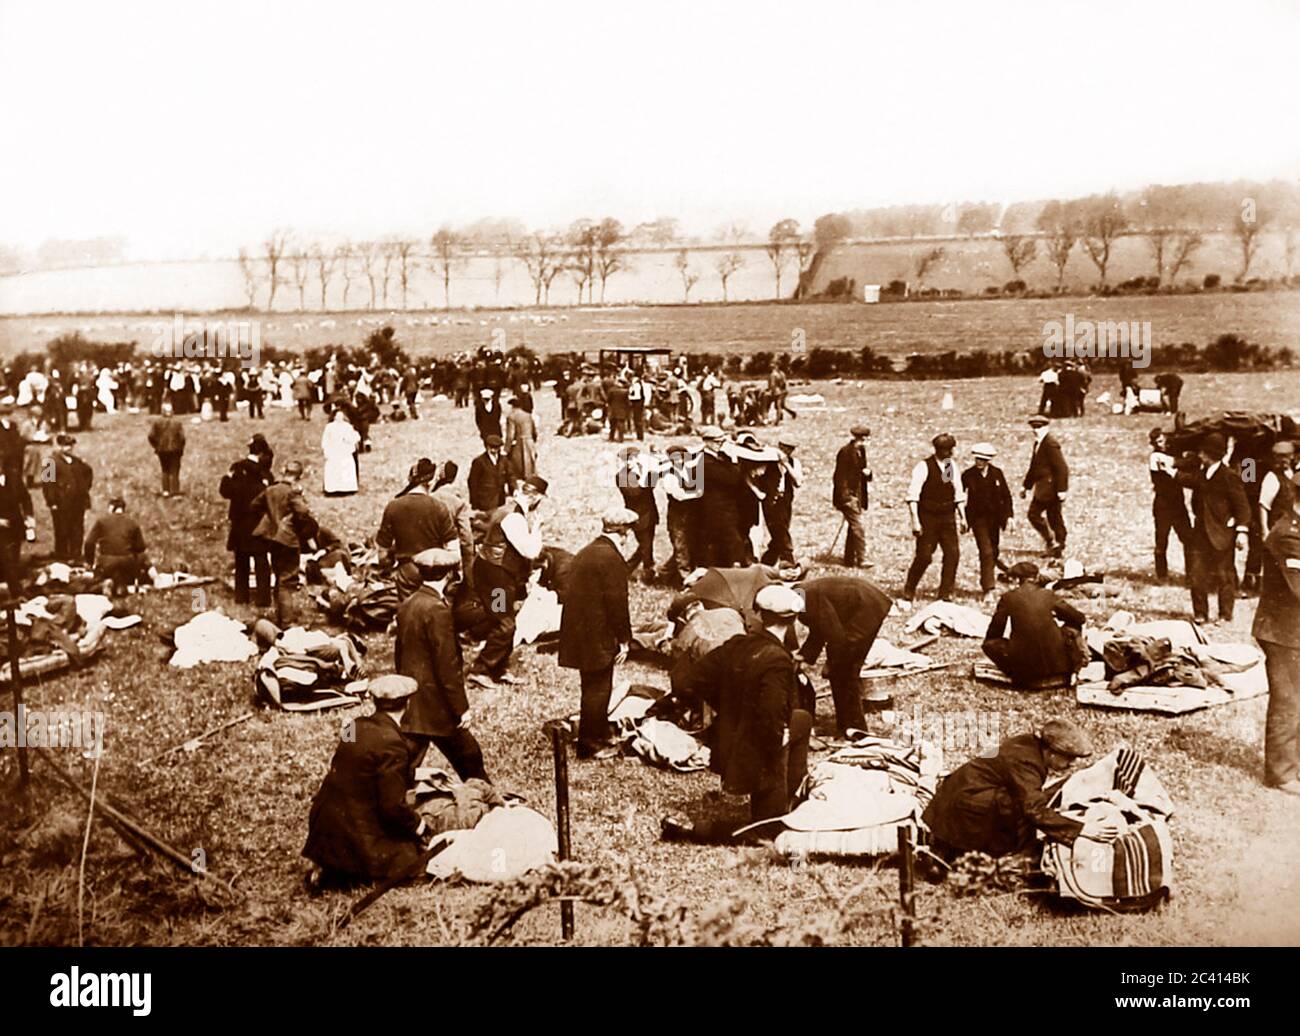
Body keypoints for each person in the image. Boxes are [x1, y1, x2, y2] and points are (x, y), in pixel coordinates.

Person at [677, 584, 811, 827]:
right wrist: (778, 738)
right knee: (767, 829)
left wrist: (727, 707)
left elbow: (690, 681)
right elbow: (771, 715)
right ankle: (778, 806)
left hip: (727, 738)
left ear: (759, 614)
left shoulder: (736, 644)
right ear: (794, 620)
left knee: (801, 718)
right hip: (756, 751)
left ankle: (793, 794)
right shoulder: (777, 659)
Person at [303, 674, 431, 888]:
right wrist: (420, 825)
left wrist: (418, 774)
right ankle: (341, 875)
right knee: (411, 860)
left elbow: (357, 767)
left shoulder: (354, 726)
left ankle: (328, 864)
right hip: (355, 829)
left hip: (324, 821)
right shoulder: (393, 743)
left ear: (374, 701)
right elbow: (392, 808)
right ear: (408, 704)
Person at [921, 718, 1111, 861]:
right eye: (1068, 758)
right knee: (1021, 805)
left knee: (1025, 799)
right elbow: (1034, 810)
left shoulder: (1028, 743)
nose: (1071, 764)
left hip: (956, 796)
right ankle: (1017, 858)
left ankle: (950, 848)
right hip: (963, 807)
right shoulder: (1027, 763)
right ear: (1051, 753)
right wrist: (1081, 829)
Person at [395, 547, 489, 783]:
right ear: (450, 576)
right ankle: (490, 803)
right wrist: (461, 708)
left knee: (405, 762)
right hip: (437, 704)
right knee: (470, 759)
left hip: (412, 699)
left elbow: (400, 652)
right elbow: (448, 665)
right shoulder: (438, 610)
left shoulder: (408, 603)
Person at [559, 507, 638, 760]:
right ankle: (590, 744)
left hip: (579, 632)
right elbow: (618, 604)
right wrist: (625, 639)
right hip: (598, 636)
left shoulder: (587, 552)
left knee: (592, 686)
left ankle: (598, 732)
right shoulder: (612, 559)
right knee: (598, 689)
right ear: (624, 533)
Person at [468, 475, 547, 690]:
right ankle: (481, 669)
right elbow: (530, 551)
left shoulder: (507, 509)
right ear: (535, 498)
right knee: (504, 624)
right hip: (497, 578)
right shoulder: (514, 518)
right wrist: (537, 527)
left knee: (502, 620)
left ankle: (499, 667)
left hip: (495, 574)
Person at [1253, 469, 1300, 796]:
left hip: (1293, 629)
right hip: (1281, 631)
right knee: (1287, 700)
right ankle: (1281, 773)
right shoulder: (1285, 535)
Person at [796, 575, 893, 734]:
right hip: (865, 603)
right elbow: (821, 627)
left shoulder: (804, 602)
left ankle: (856, 729)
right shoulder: (801, 594)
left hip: (865, 609)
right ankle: (845, 726)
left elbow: (835, 634)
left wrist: (832, 662)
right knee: (840, 673)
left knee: (845, 673)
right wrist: (804, 656)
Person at [1182, 432, 1250, 625]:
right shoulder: (1203, 473)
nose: (1199, 456)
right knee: (1197, 574)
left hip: (1223, 534)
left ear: (1209, 455)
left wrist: (1242, 531)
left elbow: (1243, 506)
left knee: (1224, 575)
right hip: (1201, 532)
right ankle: (1200, 613)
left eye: (1202, 453)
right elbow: (1189, 480)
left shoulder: (1230, 476)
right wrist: (1170, 471)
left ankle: (1225, 614)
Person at [982, 562, 1087, 686]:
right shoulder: (1048, 595)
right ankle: (1069, 669)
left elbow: (994, 633)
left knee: (989, 644)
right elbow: (1079, 618)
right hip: (1059, 672)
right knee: (1072, 629)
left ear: (1016, 580)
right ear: (1037, 577)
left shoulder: (1008, 598)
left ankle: (1016, 673)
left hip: (1026, 674)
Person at [376, 459, 459, 600]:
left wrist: (388, 568)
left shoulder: (393, 506)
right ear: (430, 482)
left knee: (408, 612)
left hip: (406, 572)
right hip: (435, 573)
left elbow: (382, 552)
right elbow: (453, 549)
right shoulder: (439, 507)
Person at [901, 433, 966, 606]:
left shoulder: (949, 466)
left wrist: (963, 517)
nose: (950, 453)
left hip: (947, 517)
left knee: (952, 554)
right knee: (924, 556)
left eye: (950, 449)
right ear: (938, 450)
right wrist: (915, 521)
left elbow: (956, 491)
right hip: (928, 517)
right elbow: (913, 496)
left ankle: (945, 594)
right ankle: (909, 589)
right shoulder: (923, 467)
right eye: (946, 450)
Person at [251, 459, 317, 627]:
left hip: (272, 539)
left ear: (284, 472)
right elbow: (303, 512)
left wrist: (271, 517)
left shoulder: (270, 490)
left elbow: (254, 505)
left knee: (279, 577)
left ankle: (279, 616)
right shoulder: (292, 492)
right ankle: (287, 622)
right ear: (298, 476)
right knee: (288, 580)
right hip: (288, 539)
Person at [219, 444, 273, 607]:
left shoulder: (236, 467)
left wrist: (226, 478)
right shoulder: (264, 470)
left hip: (239, 522)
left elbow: (225, 492)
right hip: (258, 522)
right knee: (261, 561)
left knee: (241, 560)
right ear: (262, 453)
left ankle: (241, 597)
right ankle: (263, 599)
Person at [962, 443, 1014, 601]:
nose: (979, 462)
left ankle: (999, 570)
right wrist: (962, 519)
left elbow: (1006, 496)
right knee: (986, 552)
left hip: (995, 520)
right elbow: (959, 496)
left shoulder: (997, 474)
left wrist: (1010, 517)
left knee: (993, 550)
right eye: (977, 459)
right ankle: (988, 588)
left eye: (983, 460)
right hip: (978, 519)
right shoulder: (968, 475)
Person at [1148, 428, 1192, 583]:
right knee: (1161, 540)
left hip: (1177, 503)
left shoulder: (1171, 452)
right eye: (1157, 442)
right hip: (1163, 504)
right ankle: (1162, 575)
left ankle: (1191, 574)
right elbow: (1183, 464)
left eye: (1162, 440)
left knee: (1188, 539)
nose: (1161, 444)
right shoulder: (1156, 457)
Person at [84, 496, 151, 596]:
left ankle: (109, 584)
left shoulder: (102, 521)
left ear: (111, 508)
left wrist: (90, 562)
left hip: (107, 563)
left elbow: (89, 543)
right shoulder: (132, 523)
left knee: (100, 577)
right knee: (123, 571)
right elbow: (140, 548)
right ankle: (121, 586)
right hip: (127, 563)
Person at [41, 433, 93, 562]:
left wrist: (84, 489)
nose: (69, 448)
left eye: (71, 445)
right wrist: (52, 501)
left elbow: (88, 472)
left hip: (78, 502)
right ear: (58, 446)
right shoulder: (50, 461)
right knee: (62, 530)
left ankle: (76, 556)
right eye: (65, 445)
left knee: (77, 530)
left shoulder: (77, 461)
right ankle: (62, 556)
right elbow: (47, 484)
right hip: (61, 503)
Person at [1022, 414, 1068, 558]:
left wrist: (1062, 489)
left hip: (1051, 489)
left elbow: (1062, 468)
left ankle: (1055, 543)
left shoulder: (1050, 444)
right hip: (1043, 488)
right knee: (1052, 517)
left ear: (1046, 427)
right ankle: (1055, 544)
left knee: (1039, 515)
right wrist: (1026, 486)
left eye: (1039, 427)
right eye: (1034, 427)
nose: (1036, 430)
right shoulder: (1039, 443)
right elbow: (1034, 467)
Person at [616, 445, 659, 584]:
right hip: (637, 516)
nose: (630, 462)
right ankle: (647, 573)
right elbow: (635, 494)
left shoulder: (641, 470)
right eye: (627, 459)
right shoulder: (622, 476)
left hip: (650, 513)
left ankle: (627, 569)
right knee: (646, 546)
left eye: (633, 458)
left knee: (646, 545)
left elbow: (652, 484)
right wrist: (648, 474)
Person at [431, 461, 476, 591]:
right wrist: (468, 563)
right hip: (451, 550)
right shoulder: (457, 502)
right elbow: (466, 535)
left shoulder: (430, 497)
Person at [833, 425, 873, 568]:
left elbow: (861, 470)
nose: (868, 441)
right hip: (848, 497)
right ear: (860, 438)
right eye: (866, 439)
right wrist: (846, 498)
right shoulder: (845, 452)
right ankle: (862, 559)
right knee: (858, 527)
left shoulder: (861, 450)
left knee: (853, 527)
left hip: (858, 494)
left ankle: (849, 559)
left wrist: (868, 474)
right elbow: (839, 477)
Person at [761, 437, 800, 566]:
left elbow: (798, 482)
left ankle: (766, 562)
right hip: (771, 501)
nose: (787, 451)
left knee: (780, 532)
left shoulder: (794, 463)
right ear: (779, 446)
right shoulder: (767, 460)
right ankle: (789, 561)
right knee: (781, 532)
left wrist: (786, 465)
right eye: (784, 447)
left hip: (786, 501)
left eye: (790, 448)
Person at [467, 434, 514, 515]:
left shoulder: (504, 460)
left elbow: (510, 476)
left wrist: (514, 489)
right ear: (486, 447)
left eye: (496, 448)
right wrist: (474, 503)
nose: (493, 450)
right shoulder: (479, 461)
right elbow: (472, 482)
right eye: (491, 447)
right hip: (484, 502)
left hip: (500, 500)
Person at [147, 402, 186, 498]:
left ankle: (166, 490)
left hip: (162, 450)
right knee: (175, 471)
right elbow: (182, 438)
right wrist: (181, 447)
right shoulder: (177, 423)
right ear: (172, 411)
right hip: (175, 450)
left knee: (165, 470)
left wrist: (156, 446)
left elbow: (151, 436)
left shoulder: (157, 423)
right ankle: (175, 492)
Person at [320, 409, 360, 496]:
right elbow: (325, 440)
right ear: (334, 417)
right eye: (337, 416)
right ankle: (332, 489)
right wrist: (326, 450)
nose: (339, 418)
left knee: (346, 469)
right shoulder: (329, 427)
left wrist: (348, 439)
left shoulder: (347, 426)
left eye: (341, 416)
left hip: (345, 451)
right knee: (333, 469)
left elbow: (354, 437)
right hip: (333, 451)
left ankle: (347, 489)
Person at [504, 394, 538, 480]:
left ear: (512, 406)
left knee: (518, 463)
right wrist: (533, 440)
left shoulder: (511, 416)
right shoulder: (528, 415)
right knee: (530, 461)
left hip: (519, 442)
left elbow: (510, 434)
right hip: (529, 440)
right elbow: (534, 431)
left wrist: (507, 449)